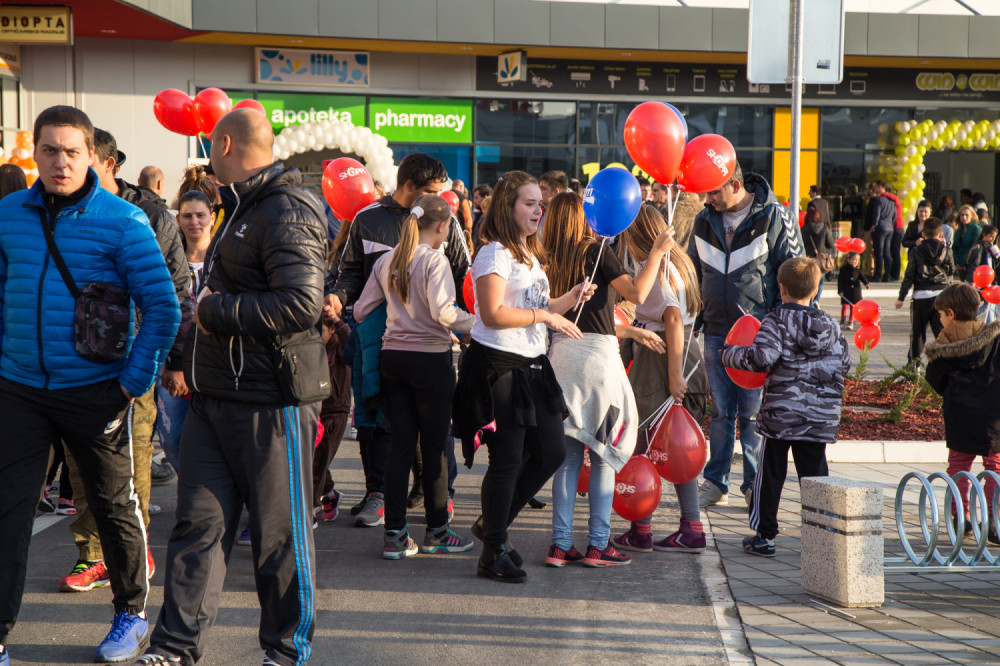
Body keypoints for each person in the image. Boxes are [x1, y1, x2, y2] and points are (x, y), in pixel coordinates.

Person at [137, 108, 328, 666]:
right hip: (216, 398)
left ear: (223, 142)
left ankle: (286, 651)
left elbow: (301, 303)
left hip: (274, 403)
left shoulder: (285, 207)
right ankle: (173, 647)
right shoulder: (245, 205)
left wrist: (215, 308)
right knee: (197, 528)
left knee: (280, 538)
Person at [0, 105, 180, 664]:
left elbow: (162, 308)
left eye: (71, 152)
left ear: (93, 156)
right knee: (7, 511)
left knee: (111, 504)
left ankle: (130, 614)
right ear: (35, 153)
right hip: (19, 388)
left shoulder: (123, 220)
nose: (59, 162)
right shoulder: (8, 214)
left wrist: (128, 385)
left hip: (96, 389)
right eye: (48, 150)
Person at [57, 128, 192, 596]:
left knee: (128, 462)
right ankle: (93, 555)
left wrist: (171, 361)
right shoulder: (62, 208)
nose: (67, 168)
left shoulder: (149, 215)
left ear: (107, 161)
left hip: (133, 360)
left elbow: (175, 291)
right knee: (80, 463)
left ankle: (133, 552)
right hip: (74, 361)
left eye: (79, 157)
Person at [453, 170, 594, 584]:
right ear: (507, 207)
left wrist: (568, 299)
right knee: (507, 461)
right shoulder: (493, 252)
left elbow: (537, 303)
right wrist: (547, 314)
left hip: (532, 366)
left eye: (540, 203)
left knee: (550, 452)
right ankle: (493, 549)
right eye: (529, 203)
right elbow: (493, 313)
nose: (538, 210)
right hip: (499, 366)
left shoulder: (529, 253)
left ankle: (492, 528)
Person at [326, 153, 469, 528]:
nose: (442, 200)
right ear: (408, 187)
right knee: (378, 419)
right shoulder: (368, 219)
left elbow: (463, 274)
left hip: (422, 345)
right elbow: (351, 274)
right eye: (432, 192)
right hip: (384, 340)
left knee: (426, 431)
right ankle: (384, 497)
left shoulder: (444, 221)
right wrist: (340, 300)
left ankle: (434, 499)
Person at [541, 196, 672, 568]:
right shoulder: (595, 250)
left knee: (566, 460)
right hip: (598, 361)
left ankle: (559, 545)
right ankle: (599, 544)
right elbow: (638, 293)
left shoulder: (549, 256)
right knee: (602, 456)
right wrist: (658, 252)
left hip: (560, 356)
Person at [353, 194, 475, 559]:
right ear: (442, 227)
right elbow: (445, 314)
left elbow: (360, 311)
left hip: (393, 359)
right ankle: (437, 531)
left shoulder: (388, 260)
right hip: (431, 362)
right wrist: (483, 325)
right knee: (435, 447)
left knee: (400, 447)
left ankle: (395, 535)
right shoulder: (435, 261)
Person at [687, 162, 803, 508]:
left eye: (713, 191)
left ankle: (754, 484)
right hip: (715, 332)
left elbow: (795, 272)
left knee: (752, 413)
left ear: (735, 184)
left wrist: (781, 327)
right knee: (721, 412)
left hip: (758, 334)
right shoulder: (703, 220)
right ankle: (715, 481)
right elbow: (693, 272)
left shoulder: (774, 216)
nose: (707, 199)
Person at [721, 257, 850, 557]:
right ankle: (822, 537)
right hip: (818, 419)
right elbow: (845, 364)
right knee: (816, 477)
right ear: (816, 289)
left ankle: (765, 536)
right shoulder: (831, 324)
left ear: (781, 288)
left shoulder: (777, 320)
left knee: (771, 475)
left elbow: (760, 358)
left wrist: (729, 354)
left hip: (782, 415)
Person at [612, 205, 711, 555]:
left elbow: (670, 317)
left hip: (662, 362)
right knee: (677, 448)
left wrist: (673, 380)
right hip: (686, 357)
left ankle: (641, 528)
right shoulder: (681, 263)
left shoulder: (658, 269)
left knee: (641, 444)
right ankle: (691, 526)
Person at [925, 284, 1000, 543]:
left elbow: (934, 381)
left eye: (941, 316)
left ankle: (960, 517)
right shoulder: (995, 338)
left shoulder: (942, 350)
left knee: (959, 465)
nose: (940, 321)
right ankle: (994, 521)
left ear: (951, 313)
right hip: (994, 415)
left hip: (960, 415)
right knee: (994, 467)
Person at [154, 190, 216, 473]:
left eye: (201, 215)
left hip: (217, 363)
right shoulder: (166, 259)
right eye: (187, 216)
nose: (195, 222)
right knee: (174, 438)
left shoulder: (225, 258)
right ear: (178, 220)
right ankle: (189, 489)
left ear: (212, 218)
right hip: (174, 363)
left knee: (218, 439)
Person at [895, 218, 953, 364]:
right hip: (941, 295)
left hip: (921, 295)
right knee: (941, 332)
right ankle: (945, 363)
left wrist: (901, 297)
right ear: (940, 235)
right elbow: (951, 270)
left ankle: (914, 365)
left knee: (918, 333)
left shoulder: (916, 250)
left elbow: (909, 275)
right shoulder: (946, 250)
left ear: (923, 234)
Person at [801, 203, 834, 301]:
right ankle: (817, 300)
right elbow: (831, 244)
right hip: (821, 261)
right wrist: (825, 252)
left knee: (809, 282)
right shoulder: (824, 228)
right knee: (820, 282)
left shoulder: (804, 229)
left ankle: (810, 301)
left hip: (808, 261)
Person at [865, 181, 896, 282]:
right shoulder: (892, 201)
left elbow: (876, 214)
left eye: (876, 187)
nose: (874, 189)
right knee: (887, 252)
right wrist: (890, 224)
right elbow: (894, 216)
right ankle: (887, 275)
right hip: (889, 228)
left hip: (880, 227)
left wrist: (873, 225)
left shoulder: (879, 200)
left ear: (880, 187)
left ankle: (878, 275)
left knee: (878, 252)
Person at [836, 252, 869, 330]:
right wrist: (840, 290)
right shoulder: (843, 270)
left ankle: (850, 322)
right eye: (854, 259)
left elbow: (862, 278)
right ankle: (843, 320)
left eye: (857, 260)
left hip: (855, 292)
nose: (855, 261)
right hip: (846, 291)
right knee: (845, 306)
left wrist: (866, 283)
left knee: (853, 307)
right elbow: (840, 281)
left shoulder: (858, 270)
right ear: (848, 260)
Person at [952, 204, 982, 278]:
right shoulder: (959, 230)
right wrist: (957, 262)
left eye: (966, 215)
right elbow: (954, 247)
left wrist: (963, 262)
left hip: (971, 265)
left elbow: (973, 248)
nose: (964, 217)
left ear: (972, 215)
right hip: (959, 265)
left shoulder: (976, 229)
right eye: (962, 215)